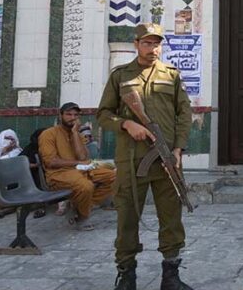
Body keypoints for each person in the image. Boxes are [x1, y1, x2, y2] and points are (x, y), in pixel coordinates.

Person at [97, 23, 193, 290]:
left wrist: (177, 149)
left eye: (157, 44)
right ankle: (126, 275)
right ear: (136, 44)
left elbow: (184, 114)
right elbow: (103, 114)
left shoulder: (171, 75)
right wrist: (127, 124)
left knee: (171, 217)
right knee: (127, 216)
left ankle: (171, 277)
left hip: (166, 161)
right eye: (148, 43)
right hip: (131, 159)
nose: (153, 49)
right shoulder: (120, 76)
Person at [38, 102, 116, 231]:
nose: (72, 117)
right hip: (59, 174)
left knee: (115, 176)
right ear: (60, 115)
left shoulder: (77, 134)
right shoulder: (48, 134)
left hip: (81, 171)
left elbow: (82, 158)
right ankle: (82, 217)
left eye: (75, 115)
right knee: (86, 186)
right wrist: (77, 164)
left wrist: (75, 134)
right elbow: (50, 162)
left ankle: (79, 207)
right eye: (68, 114)